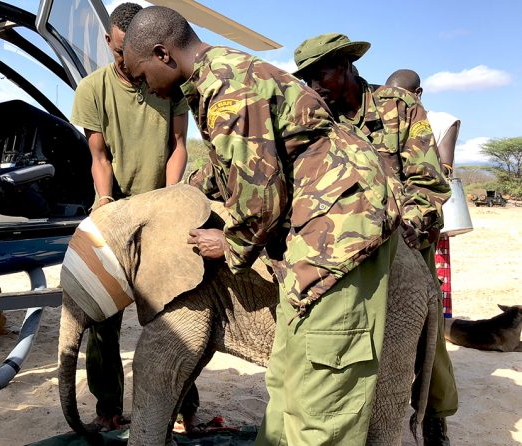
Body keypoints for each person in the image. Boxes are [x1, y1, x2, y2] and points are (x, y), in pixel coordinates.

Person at [123, 7, 400, 445]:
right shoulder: (216, 80)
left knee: (322, 393)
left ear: (163, 54)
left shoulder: (229, 87)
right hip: (306, 233)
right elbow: (223, 168)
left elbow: (260, 199)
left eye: (141, 75)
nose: (142, 87)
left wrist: (229, 244)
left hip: (338, 234)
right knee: (288, 379)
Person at [292, 34, 454, 445]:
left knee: (423, 338)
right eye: (306, 79)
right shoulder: (316, 117)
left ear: (347, 66)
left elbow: (429, 182)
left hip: (404, 243)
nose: (313, 87)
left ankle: (434, 415)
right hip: (342, 251)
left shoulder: (398, 108)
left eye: (319, 75)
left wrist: (408, 226)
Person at [69, 2, 194, 432]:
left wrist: (170, 198)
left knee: (176, 312)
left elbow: (179, 144)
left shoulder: (170, 83)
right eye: (122, 52)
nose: (129, 62)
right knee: (103, 318)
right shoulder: (92, 89)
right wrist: (105, 201)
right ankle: (109, 408)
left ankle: (182, 408)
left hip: (161, 208)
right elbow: (99, 156)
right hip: (117, 213)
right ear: (110, 43)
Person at [385, 68, 460, 446]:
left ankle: (434, 416)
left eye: (406, 96)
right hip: (385, 231)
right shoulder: (382, 114)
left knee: (427, 327)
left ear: (420, 93)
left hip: (419, 233)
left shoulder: (439, 122)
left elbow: (440, 175)